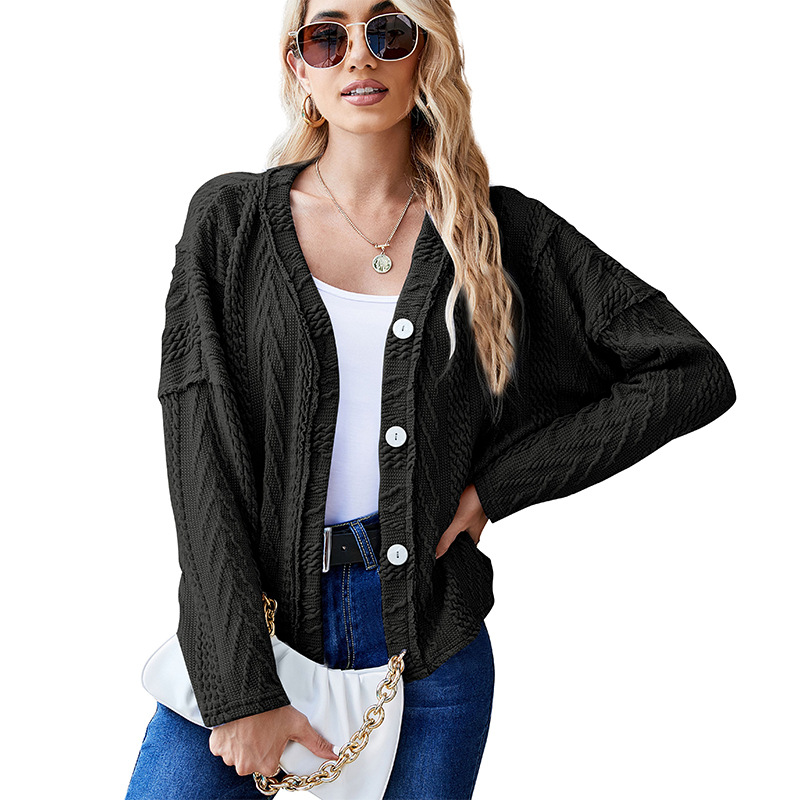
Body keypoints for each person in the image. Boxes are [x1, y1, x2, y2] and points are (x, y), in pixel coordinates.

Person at [125, 1, 737, 798]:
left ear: (427, 53)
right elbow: (200, 458)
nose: (358, 56)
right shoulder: (230, 224)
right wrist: (241, 693)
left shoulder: (496, 232)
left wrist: (496, 486)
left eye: (389, 31)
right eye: (328, 36)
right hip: (248, 627)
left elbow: (688, 371)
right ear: (298, 66)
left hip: (428, 651)